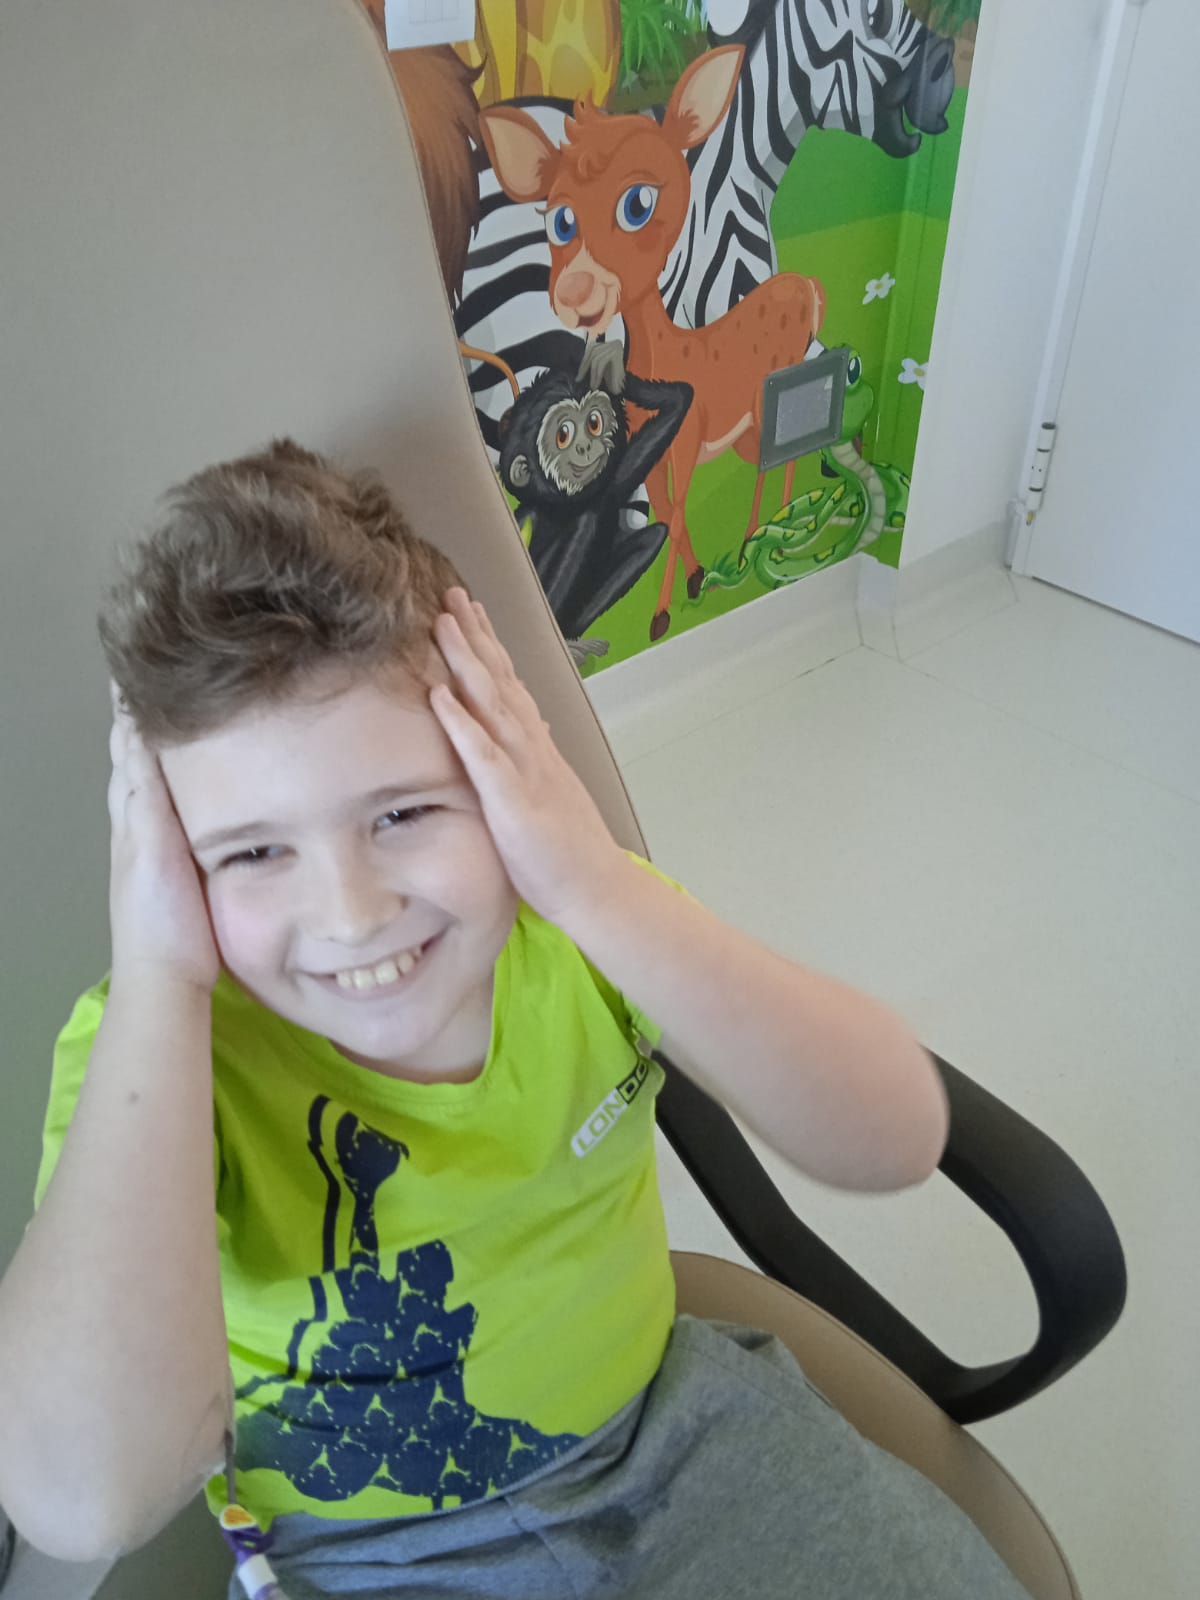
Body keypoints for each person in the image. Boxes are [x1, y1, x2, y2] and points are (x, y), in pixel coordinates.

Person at [0, 441, 1033, 1599]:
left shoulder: (577, 927)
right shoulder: (156, 1044)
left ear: (503, 774)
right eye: (251, 852)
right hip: (374, 1554)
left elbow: (894, 1137)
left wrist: (592, 878)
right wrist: (159, 975)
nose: (351, 913)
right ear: (171, 867)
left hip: (678, 1440)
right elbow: (82, 1494)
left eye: (402, 813)